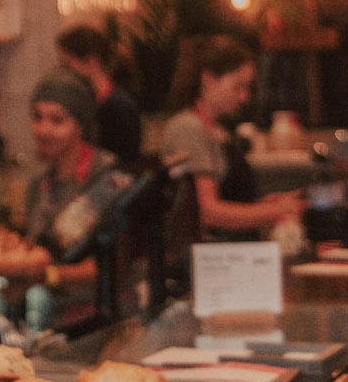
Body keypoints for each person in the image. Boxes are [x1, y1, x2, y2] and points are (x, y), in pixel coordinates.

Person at [159, 34, 303, 237]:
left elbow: (227, 200)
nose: (244, 97)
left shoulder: (217, 130)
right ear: (208, 80)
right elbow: (206, 212)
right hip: (213, 260)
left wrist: (264, 205)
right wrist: (276, 210)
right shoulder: (188, 128)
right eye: (238, 86)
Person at [24, 71, 130, 262]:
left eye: (57, 120)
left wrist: (46, 275)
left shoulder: (111, 178)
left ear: (81, 126)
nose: (43, 130)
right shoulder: (37, 186)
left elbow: (113, 267)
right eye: (37, 117)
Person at [55, 24, 143, 167]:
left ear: (91, 62)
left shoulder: (118, 106)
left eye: (67, 65)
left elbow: (123, 163)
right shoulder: (93, 102)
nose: (65, 73)